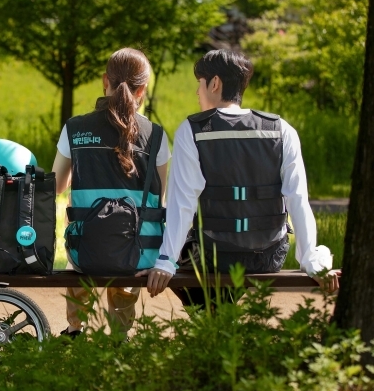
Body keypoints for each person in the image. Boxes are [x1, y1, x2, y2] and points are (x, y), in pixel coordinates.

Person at [136, 49, 340, 305]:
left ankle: (214, 322)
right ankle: (220, 319)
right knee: (212, 292)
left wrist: (166, 260)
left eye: (200, 84)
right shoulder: (281, 130)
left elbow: (182, 204)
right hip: (268, 257)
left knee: (174, 261)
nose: (197, 92)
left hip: (214, 257)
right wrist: (310, 258)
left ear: (215, 83)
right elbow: (298, 200)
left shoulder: (193, 130)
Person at [52, 47, 171, 336]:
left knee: (84, 247)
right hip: (138, 254)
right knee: (126, 256)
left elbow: (55, 186)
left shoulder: (75, 128)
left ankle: (75, 328)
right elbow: (162, 193)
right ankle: (119, 336)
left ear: (105, 80)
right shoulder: (155, 134)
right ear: (142, 89)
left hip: (85, 252)